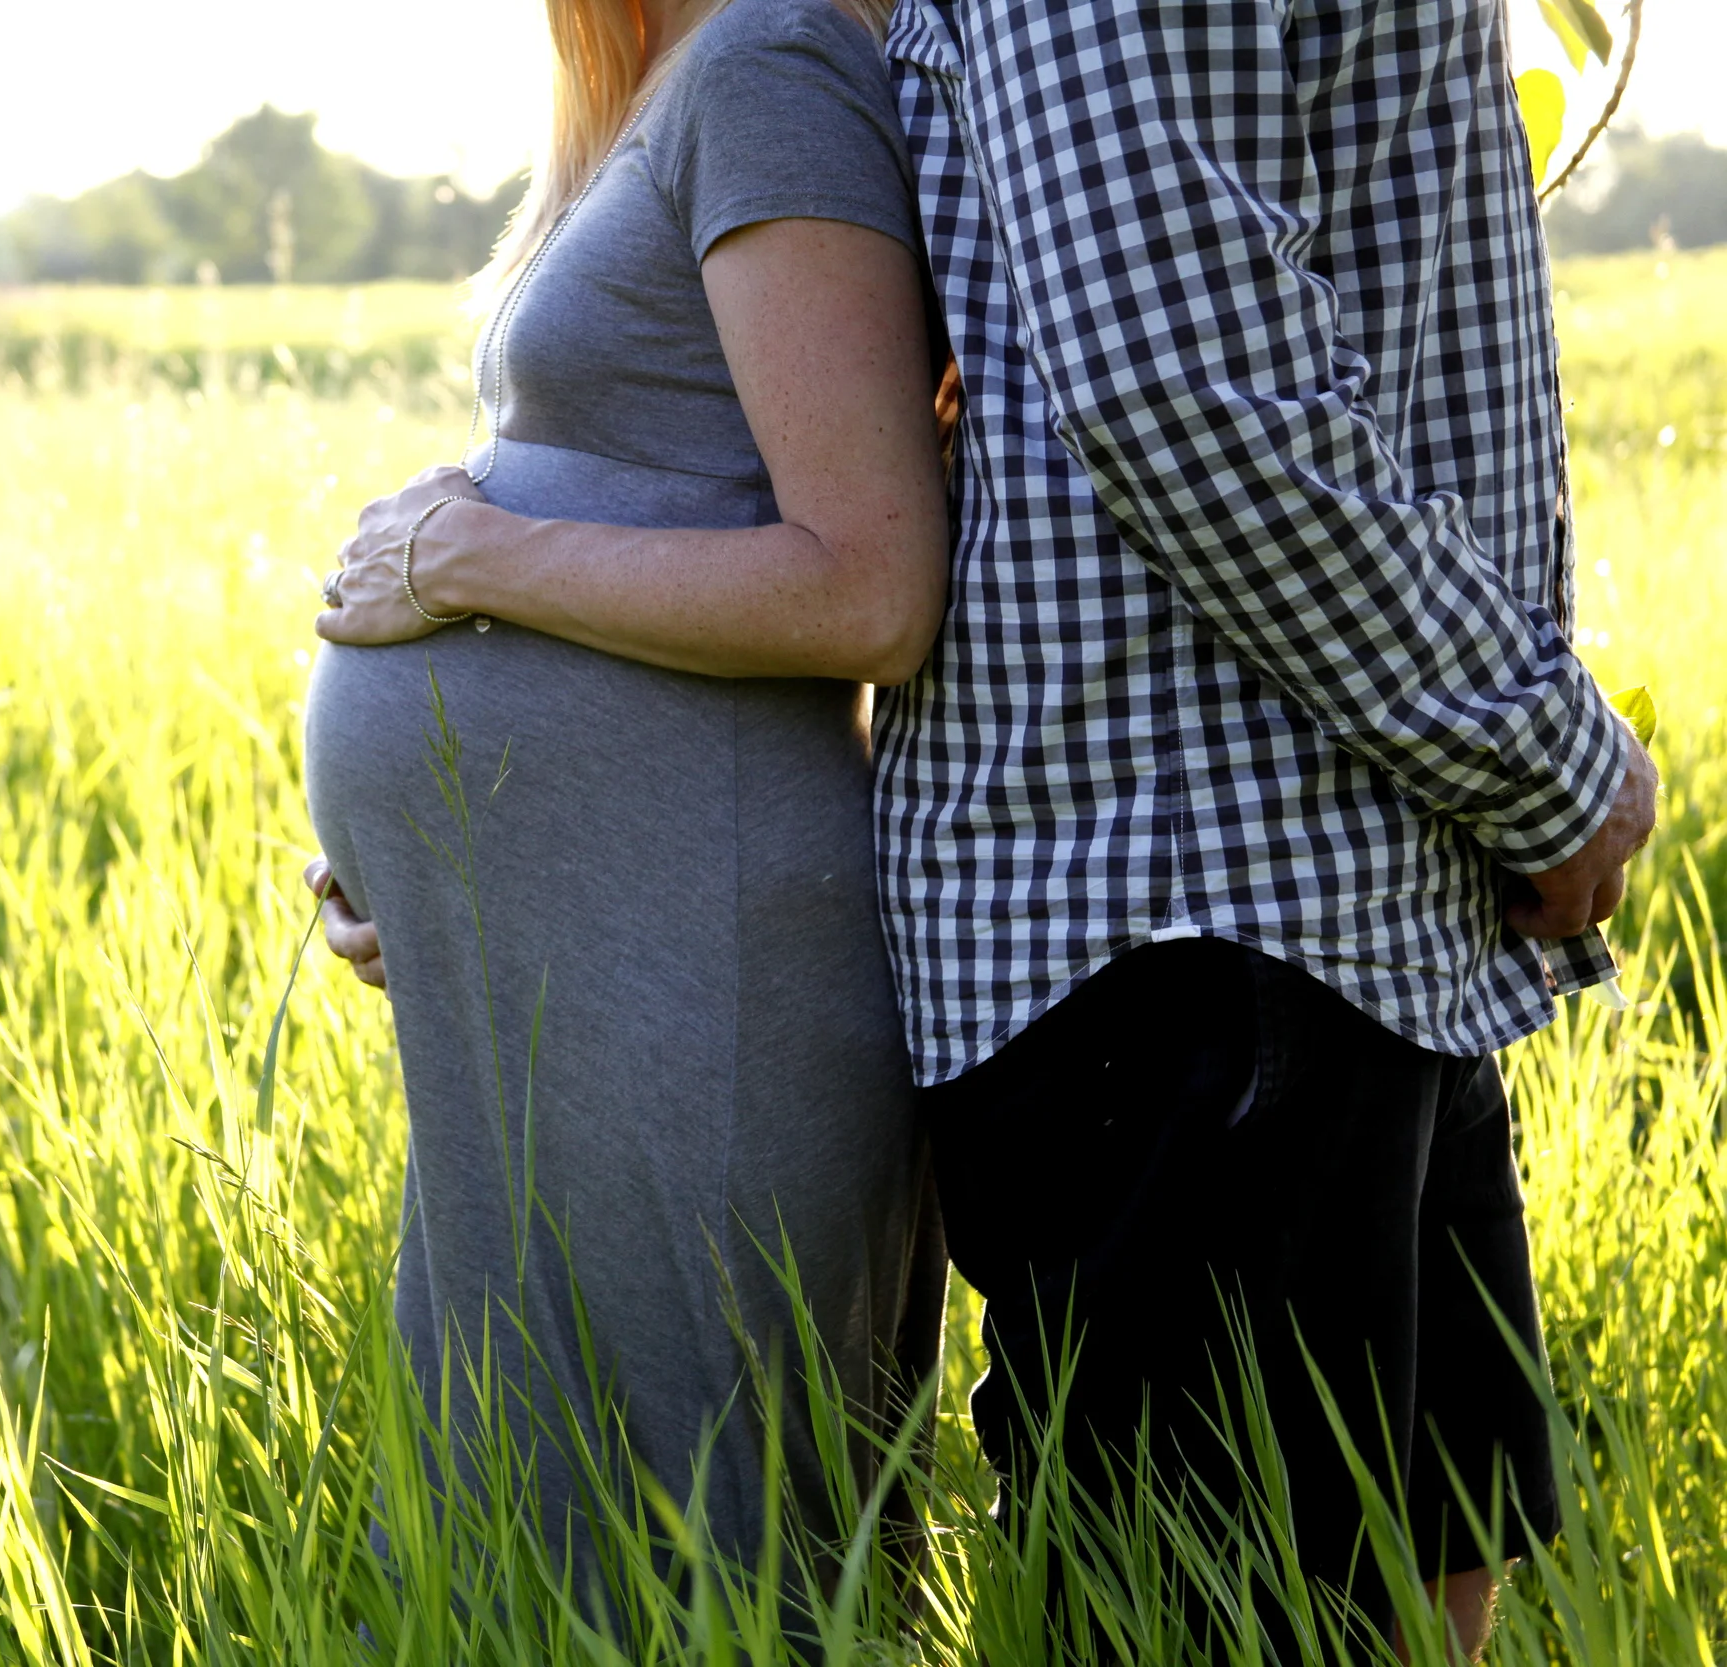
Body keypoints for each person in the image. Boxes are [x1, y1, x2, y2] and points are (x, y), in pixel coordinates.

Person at [326, 0, 1661, 1655]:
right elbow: (1138, 401)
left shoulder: (771, 68)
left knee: (1362, 1581)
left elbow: (920, 535)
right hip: (1231, 891)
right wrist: (469, 852)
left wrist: (1534, 753)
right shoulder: (704, 79)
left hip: (1270, 887)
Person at [300, 0, 952, 1597]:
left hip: (703, 974)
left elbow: (870, 586)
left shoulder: (771, 63)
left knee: (707, 1553)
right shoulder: (668, 80)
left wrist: (478, 557)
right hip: (593, 968)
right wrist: (456, 880)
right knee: (531, 1521)